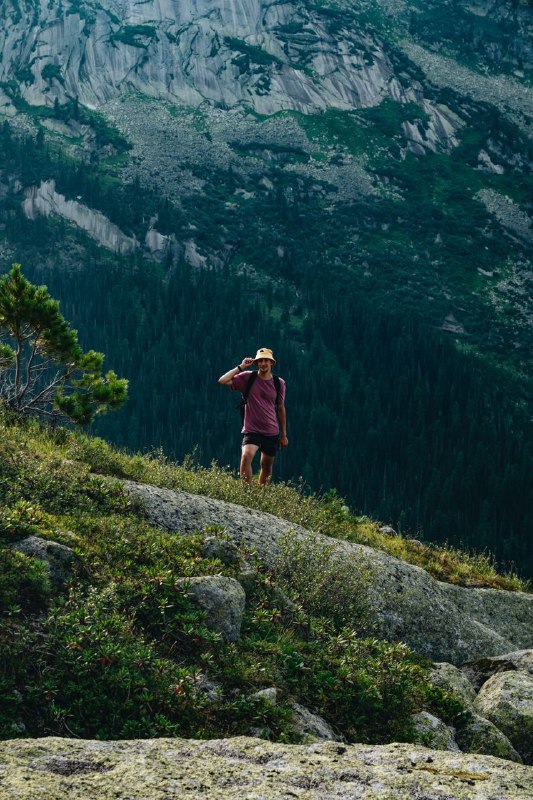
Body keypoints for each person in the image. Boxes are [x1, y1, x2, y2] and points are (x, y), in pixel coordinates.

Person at [218, 348, 288, 485]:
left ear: (271, 363)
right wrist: (241, 367)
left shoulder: (279, 383)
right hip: (251, 429)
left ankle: (260, 498)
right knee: (246, 456)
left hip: (271, 431)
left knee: (266, 466)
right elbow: (222, 380)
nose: (263, 363)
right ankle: (247, 494)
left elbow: (280, 408)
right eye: (260, 361)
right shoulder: (247, 377)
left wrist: (284, 435)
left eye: (266, 360)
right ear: (256, 363)